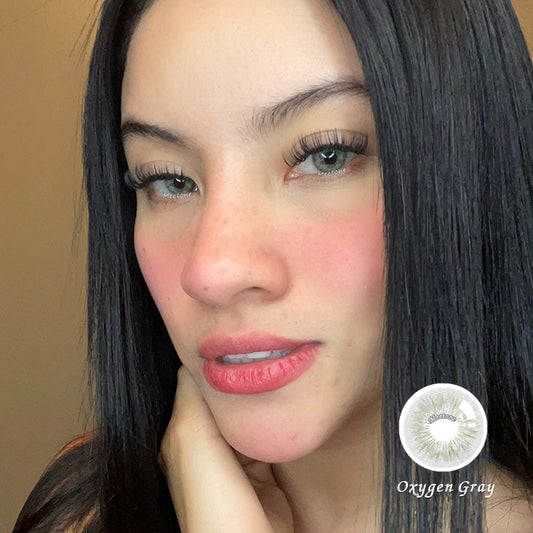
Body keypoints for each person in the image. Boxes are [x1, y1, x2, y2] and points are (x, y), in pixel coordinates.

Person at [13, 0, 533, 531]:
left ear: (471, 165)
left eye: (326, 155)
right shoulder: (81, 513)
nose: (212, 273)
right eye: (168, 179)